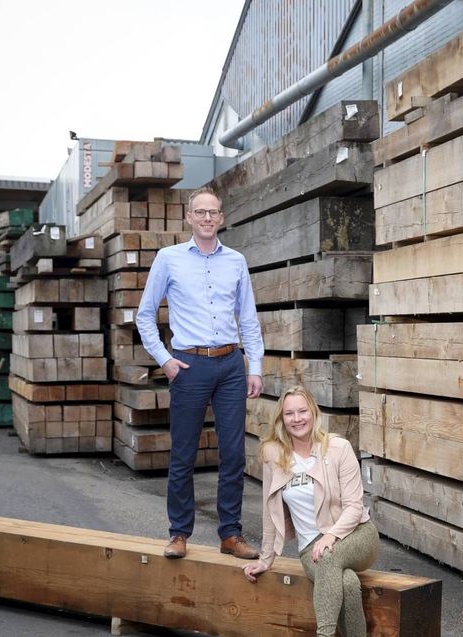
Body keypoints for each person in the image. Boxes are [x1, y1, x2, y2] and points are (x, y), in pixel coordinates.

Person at [136, 185, 264, 560]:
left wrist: (254, 366)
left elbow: (249, 318)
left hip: (229, 365)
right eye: (200, 212)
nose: (207, 218)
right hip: (188, 366)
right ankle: (179, 533)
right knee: (184, 454)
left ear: (221, 218)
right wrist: (165, 359)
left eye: (214, 212)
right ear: (189, 217)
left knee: (234, 454)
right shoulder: (168, 259)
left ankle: (230, 534)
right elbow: (144, 315)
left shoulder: (236, 261)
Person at [242, 385, 379, 637]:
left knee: (328, 556)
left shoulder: (338, 448)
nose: (297, 419)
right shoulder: (274, 454)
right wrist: (265, 559)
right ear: (281, 419)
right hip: (310, 548)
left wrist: (331, 536)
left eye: (302, 411)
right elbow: (269, 511)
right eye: (289, 413)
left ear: (313, 413)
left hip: (357, 536)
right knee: (347, 582)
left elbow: (354, 506)